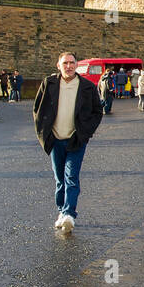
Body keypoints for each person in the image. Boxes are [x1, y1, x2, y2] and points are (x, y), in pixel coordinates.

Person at [33, 52, 105, 231]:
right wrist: (43, 134)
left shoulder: (87, 86)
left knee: (71, 177)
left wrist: (85, 133)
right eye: (65, 63)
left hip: (76, 139)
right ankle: (61, 210)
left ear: (77, 65)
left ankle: (69, 214)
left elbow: (97, 111)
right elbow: (37, 110)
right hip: (55, 139)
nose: (69, 66)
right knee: (59, 179)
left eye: (72, 63)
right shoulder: (48, 84)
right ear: (58, 65)